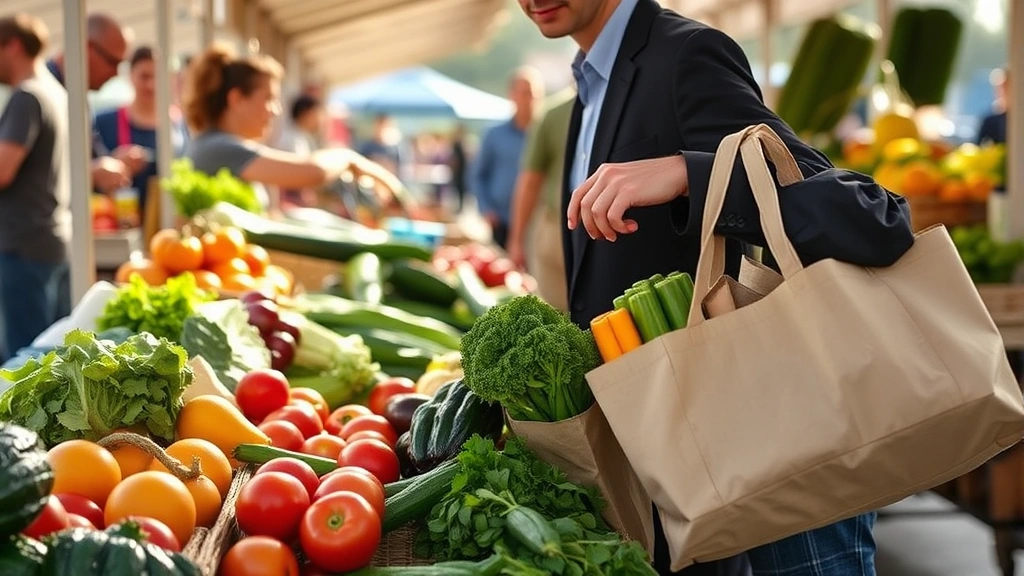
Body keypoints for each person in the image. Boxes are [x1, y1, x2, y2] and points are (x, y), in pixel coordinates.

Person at [518, 0, 915, 575]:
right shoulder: (589, 80)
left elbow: (869, 217)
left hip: (764, 440)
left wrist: (688, 173)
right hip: (678, 455)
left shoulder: (685, 56)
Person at [183, 43, 404, 214]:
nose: (276, 110)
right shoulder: (219, 147)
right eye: (269, 98)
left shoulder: (217, 145)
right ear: (237, 99)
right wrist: (350, 158)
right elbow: (314, 172)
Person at [0, 14, 71, 360]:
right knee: (48, 355)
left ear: (12, 46)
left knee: (24, 364)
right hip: (49, 240)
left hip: (23, 246)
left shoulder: (26, 96)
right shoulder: (54, 91)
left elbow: (3, 169)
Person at [45, 13, 147, 195]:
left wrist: (111, 162)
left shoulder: (75, 95)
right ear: (86, 48)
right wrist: (90, 174)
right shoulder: (42, 93)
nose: (115, 73)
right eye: (113, 62)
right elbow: (28, 174)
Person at [94, 47, 190, 225]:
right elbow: (87, 172)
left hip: (170, 225)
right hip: (119, 227)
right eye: (144, 76)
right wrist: (114, 163)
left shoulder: (181, 125)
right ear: (130, 76)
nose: (151, 85)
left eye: (157, 77)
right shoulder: (104, 122)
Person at [507, 87, 575, 312]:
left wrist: (516, 240)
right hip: (607, 229)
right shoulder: (625, 100)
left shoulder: (553, 112)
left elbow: (530, 183)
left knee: (556, 317)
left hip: (557, 227)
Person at [471, 67, 544, 248]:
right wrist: (486, 208)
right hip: (501, 220)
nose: (528, 99)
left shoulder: (545, 135)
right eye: (523, 93)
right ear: (512, 95)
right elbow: (478, 175)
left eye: (532, 94)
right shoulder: (494, 135)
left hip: (537, 222)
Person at [978, 67, 1008, 145]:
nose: (1002, 91)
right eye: (999, 88)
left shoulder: (1018, 118)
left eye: (1006, 87)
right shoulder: (990, 120)